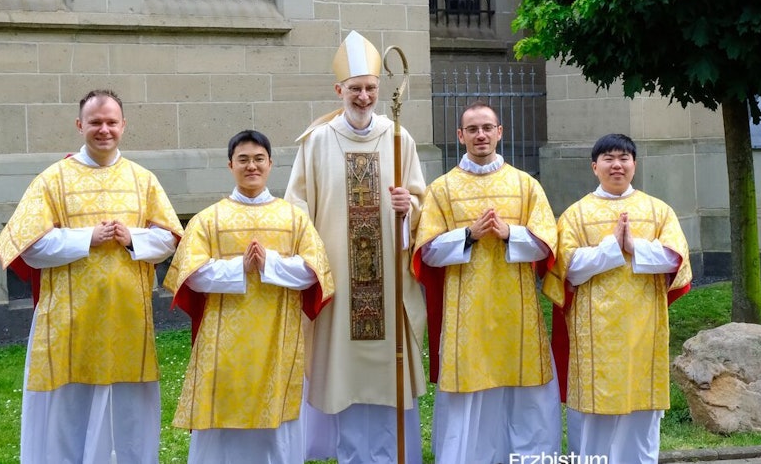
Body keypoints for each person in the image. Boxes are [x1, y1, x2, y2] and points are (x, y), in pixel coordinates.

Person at [0, 89, 184, 464]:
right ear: (80, 125)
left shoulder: (142, 180)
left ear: (124, 126)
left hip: (126, 319)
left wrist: (133, 238)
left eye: (112, 122)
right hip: (68, 321)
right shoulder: (53, 180)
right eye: (95, 122)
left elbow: (169, 239)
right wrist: (87, 239)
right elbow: (28, 247)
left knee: (127, 406)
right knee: (69, 408)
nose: (104, 130)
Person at [284, 30, 429, 463]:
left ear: (379, 90)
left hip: (388, 284)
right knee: (344, 381)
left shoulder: (400, 137)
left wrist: (409, 208)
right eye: (355, 89)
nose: (363, 96)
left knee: (389, 381)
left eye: (370, 88)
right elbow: (296, 211)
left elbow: (422, 202)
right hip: (341, 286)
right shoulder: (315, 142)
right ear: (339, 90)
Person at [163, 129, 334, 463]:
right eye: (243, 159)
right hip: (221, 344)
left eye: (259, 159)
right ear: (230, 165)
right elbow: (191, 275)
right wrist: (239, 269)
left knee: (277, 424)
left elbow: (315, 272)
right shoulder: (208, 219)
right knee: (221, 419)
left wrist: (269, 263)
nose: (251, 166)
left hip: (278, 338)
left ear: (270, 163)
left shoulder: (293, 218)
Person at [412, 101, 562, 463]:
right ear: (460, 136)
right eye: (472, 129)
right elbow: (426, 252)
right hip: (467, 316)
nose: (481, 135)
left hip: (517, 311)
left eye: (487, 128)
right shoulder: (443, 189)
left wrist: (511, 233)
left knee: (525, 390)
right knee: (468, 392)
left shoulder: (525, 185)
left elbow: (548, 243)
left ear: (500, 132)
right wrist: (468, 235)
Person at [542, 133, 692, 463]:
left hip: (644, 329)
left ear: (634, 165)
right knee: (597, 420)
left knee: (642, 417)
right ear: (595, 167)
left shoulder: (658, 211)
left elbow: (676, 261)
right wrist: (611, 248)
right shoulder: (576, 215)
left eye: (624, 158)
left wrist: (634, 246)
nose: (617, 165)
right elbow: (568, 270)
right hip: (595, 335)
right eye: (608, 158)